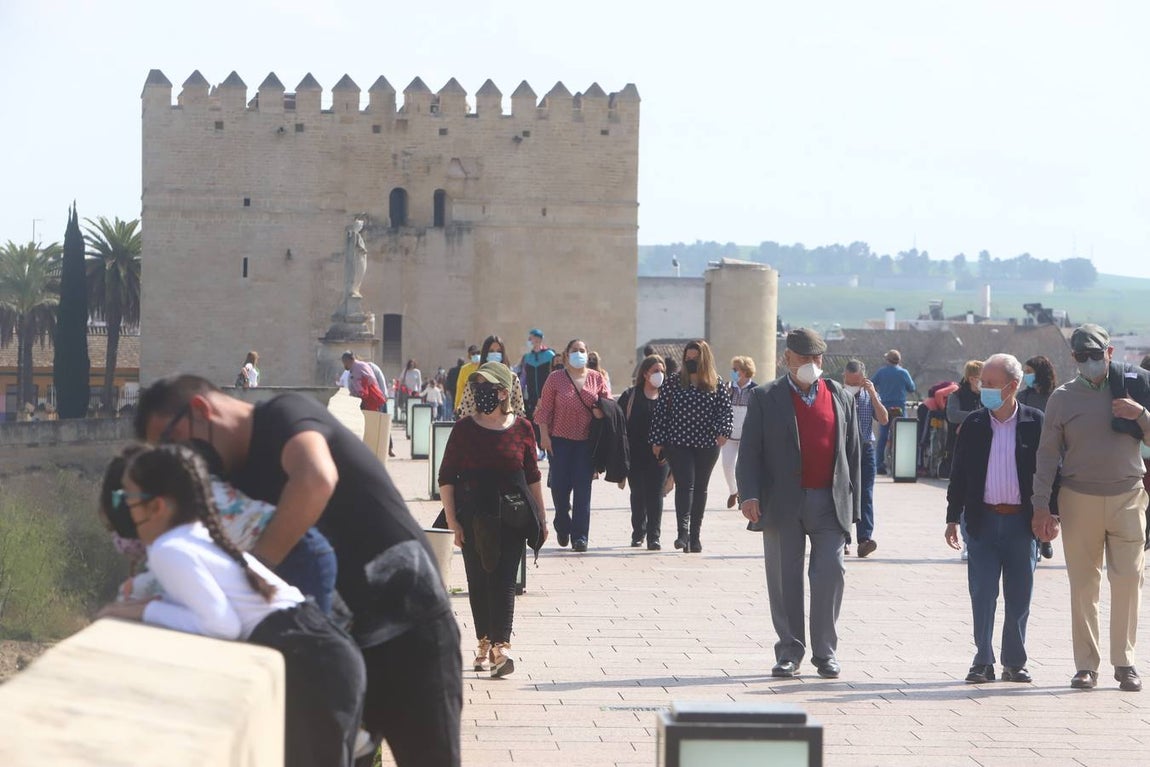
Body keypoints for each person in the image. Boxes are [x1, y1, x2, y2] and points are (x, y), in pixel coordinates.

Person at [134, 376, 462, 766]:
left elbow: (315, 479)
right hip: (341, 647)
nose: (176, 459)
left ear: (201, 410)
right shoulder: (228, 482)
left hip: (412, 629)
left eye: (172, 443)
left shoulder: (284, 415)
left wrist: (253, 572)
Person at [95, 444, 365, 767]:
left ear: (157, 506)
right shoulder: (195, 536)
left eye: (125, 499)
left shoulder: (168, 548)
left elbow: (221, 626)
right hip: (325, 652)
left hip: (309, 663)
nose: (124, 509)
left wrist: (141, 609)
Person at [1032, 324, 1150, 692]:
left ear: (1110, 353)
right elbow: (1047, 454)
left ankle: (1125, 663)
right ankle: (1086, 665)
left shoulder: (1132, 387)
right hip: (1078, 498)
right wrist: (1041, 507)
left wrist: (1141, 414)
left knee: (1129, 578)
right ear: (1074, 359)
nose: (1089, 362)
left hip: (1128, 496)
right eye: (1082, 356)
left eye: (1095, 355)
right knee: (1084, 585)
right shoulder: (1062, 398)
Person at [737, 328, 860, 680]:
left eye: (816, 358)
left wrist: (858, 512)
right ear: (786, 359)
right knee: (784, 577)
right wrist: (749, 494)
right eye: (804, 358)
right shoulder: (765, 397)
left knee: (830, 574)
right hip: (781, 502)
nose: (811, 364)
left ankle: (825, 653)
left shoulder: (840, 396)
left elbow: (852, 455)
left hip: (829, 502)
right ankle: (790, 651)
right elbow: (750, 451)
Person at [99, 444, 338, 616]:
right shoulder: (185, 494)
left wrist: (128, 601)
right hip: (293, 557)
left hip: (296, 556)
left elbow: (174, 581)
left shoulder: (180, 518)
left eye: (126, 499)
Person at [439, 363, 548, 678]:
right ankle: (483, 641)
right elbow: (446, 477)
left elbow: (531, 475)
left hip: (512, 515)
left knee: (504, 580)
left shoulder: (523, 428)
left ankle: (501, 646)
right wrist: (452, 521)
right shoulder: (464, 430)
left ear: (504, 391)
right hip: (474, 514)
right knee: (478, 579)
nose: (482, 393)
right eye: (477, 387)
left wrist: (541, 516)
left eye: (488, 386)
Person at [945, 354, 1043, 684]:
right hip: (982, 521)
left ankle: (1014, 661)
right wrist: (951, 517)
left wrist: (1050, 514)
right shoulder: (973, 424)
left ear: (1012, 386)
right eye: (981, 383)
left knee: (1020, 595)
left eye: (989, 384)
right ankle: (982, 659)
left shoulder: (1034, 422)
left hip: (1021, 524)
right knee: (982, 592)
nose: (983, 389)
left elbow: (1049, 473)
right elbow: (958, 473)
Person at [648, 340, 733, 553]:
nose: (691, 362)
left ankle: (695, 535)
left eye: (695, 359)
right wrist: (657, 440)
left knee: (701, 487)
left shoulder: (717, 383)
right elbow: (660, 413)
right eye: (688, 359)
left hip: (707, 443)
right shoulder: (674, 382)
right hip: (678, 442)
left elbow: (726, 411)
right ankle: (682, 533)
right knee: (685, 485)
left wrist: (723, 431)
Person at [534, 338, 611, 552]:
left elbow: (608, 406)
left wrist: (601, 410)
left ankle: (580, 537)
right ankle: (561, 522)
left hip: (586, 443)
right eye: (575, 350)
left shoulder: (597, 378)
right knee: (559, 487)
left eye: (582, 350)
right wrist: (544, 436)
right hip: (559, 440)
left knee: (583, 489)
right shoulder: (555, 378)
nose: (579, 353)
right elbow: (544, 409)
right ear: (566, 355)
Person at [618, 355, 670, 550]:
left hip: (660, 455)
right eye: (656, 371)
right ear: (645, 373)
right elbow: (620, 422)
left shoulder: (668, 396)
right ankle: (638, 532)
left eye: (662, 371)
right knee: (638, 494)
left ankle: (654, 536)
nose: (660, 375)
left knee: (656, 495)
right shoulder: (631, 396)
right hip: (635, 454)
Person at [842, 359, 888, 558]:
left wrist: (872, 394)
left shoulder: (870, 395)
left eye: (856, 382)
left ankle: (865, 540)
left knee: (866, 494)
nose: (853, 386)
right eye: (849, 382)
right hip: (842, 448)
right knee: (842, 493)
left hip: (865, 447)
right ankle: (843, 539)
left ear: (864, 379)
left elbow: (884, 419)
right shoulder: (836, 393)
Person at [947, 360, 984, 560]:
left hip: (985, 451)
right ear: (972, 378)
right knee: (963, 497)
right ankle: (967, 541)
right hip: (963, 450)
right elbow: (952, 415)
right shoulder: (957, 395)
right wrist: (976, 416)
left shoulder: (989, 396)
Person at [457, 336, 526, 418]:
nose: (495, 354)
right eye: (491, 351)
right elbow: (465, 408)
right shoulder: (475, 378)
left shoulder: (512, 378)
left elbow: (518, 409)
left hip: (504, 427)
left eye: (499, 351)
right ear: (485, 354)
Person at [871, 349, 916, 474]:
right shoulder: (903, 372)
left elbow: (871, 384)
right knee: (902, 435)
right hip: (899, 408)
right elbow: (912, 388)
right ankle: (902, 465)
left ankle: (879, 465)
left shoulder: (881, 372)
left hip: (885, 407)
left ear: (887, 360)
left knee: (883, 436)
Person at [722, 356, 758, 510]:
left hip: (746, 436)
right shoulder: (727, 388)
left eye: (735, 370)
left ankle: (743, 494)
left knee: (742, 467)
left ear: (744, 372)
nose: (733, 373)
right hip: (729, 435)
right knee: (727, 466)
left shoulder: (755, 390)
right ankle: (733, 491)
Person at [520, 328, 555, 423]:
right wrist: (520, 391)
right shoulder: (527, 357)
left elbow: (555, 374)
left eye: (531, 338)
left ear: (538, 339)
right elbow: (523, 376)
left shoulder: (550, 355)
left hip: (547, 395)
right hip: (531, 397)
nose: (529, 341)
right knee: (533, 421)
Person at [452, 345, 482, 411]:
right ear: (469, 356)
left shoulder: (485, 367)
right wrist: (457, 405)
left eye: (478, 353)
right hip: (468, 405)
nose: (476, 355)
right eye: (473, 353)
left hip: (483, 404)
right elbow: (460, 388)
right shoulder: (464, 369)